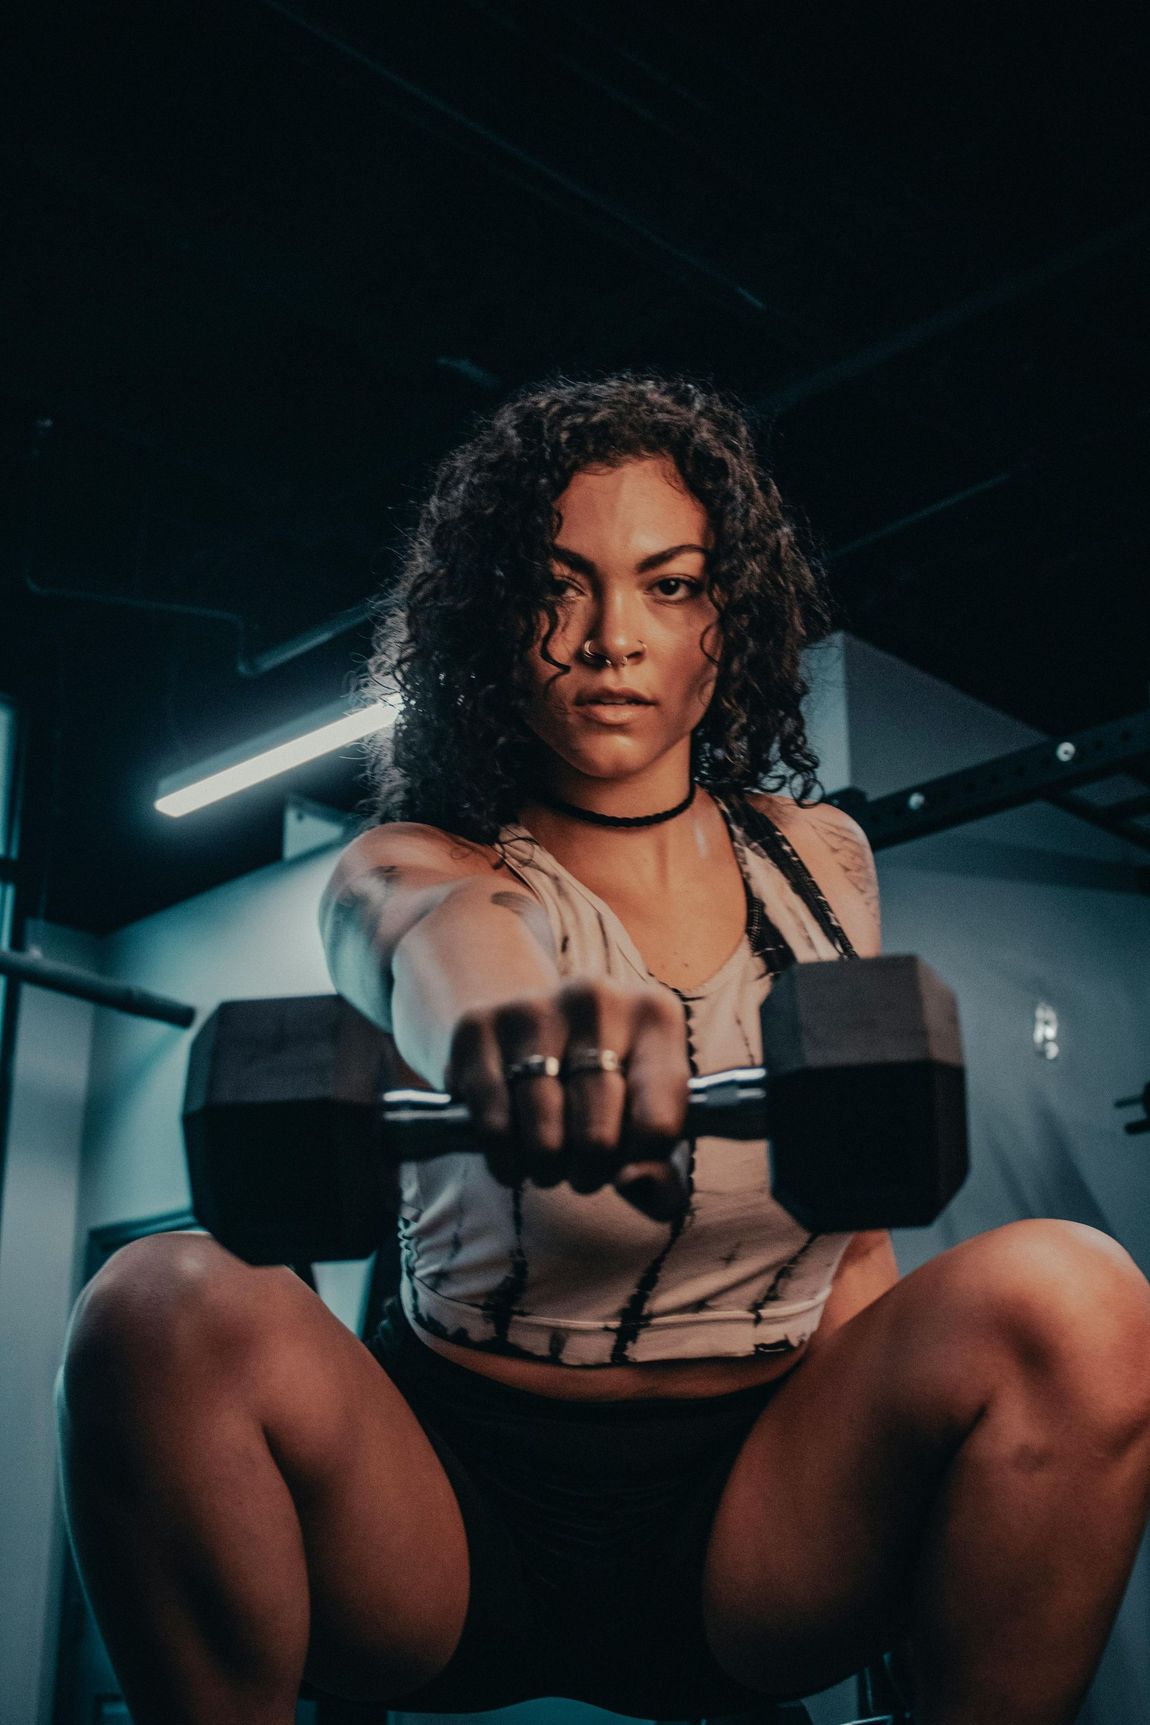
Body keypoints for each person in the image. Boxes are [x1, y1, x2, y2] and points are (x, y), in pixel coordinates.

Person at [57, 373, 1150, 1725]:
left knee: (1080, 1297)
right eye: (556, 585)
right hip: (444, 1512)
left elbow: (855, 1220)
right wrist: (517, 1025)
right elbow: (437, 938)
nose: (608, 638)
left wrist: (893, 1468)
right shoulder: (416, 862)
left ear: (724, 623)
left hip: (759, 1518)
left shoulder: (820, 864)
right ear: (491, 623)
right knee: (150, 1305)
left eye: (668, 584)